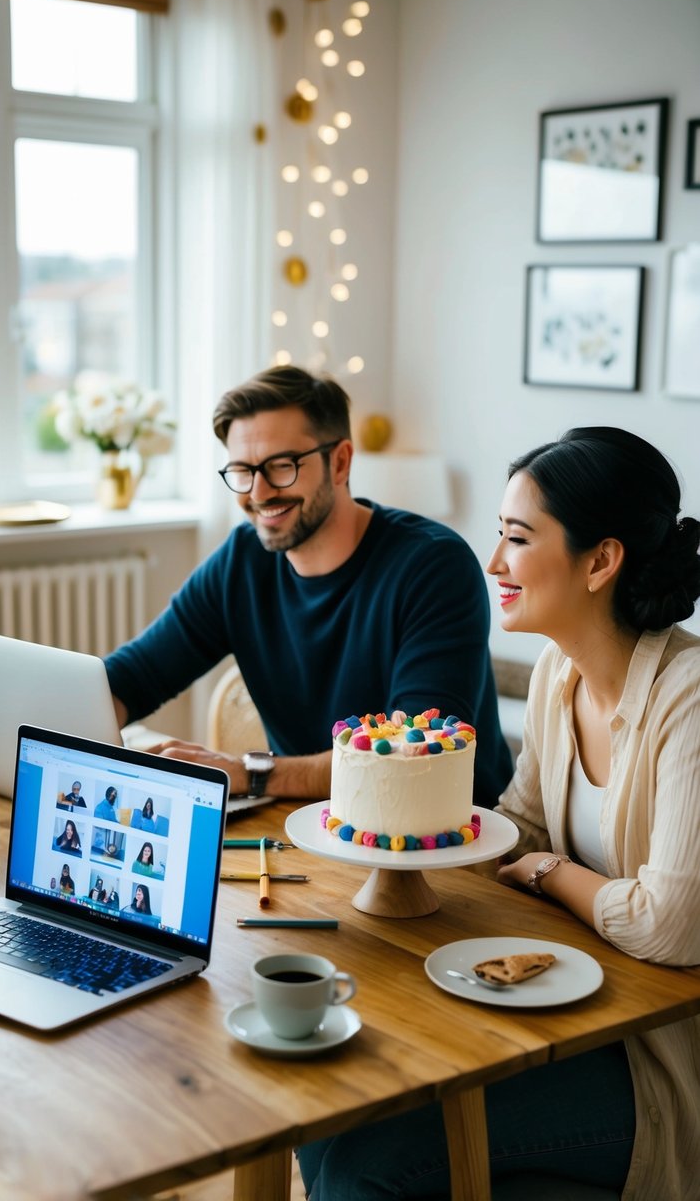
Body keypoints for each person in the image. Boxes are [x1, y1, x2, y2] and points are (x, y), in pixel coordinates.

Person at [297, 427, 700, 1201]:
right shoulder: (560, 673)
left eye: (517, 539)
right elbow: (520, 827)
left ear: (600, 560)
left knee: (364, 1163)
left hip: (656, 1060)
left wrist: (549, 873)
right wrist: (399, 835)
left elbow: (669, 923)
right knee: (327, 1112)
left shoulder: (686, 700)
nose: (493, 564)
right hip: (563, 1013)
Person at [105, 365, 512, 807]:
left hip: (446, 841)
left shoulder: (433, 567)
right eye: (242, 470)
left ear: (339, 462)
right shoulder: (242, 559)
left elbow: (411, 756)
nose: (258, 492)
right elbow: (132, 679)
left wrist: (250, 773)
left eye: (282, 466)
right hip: (309, 823)